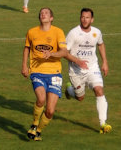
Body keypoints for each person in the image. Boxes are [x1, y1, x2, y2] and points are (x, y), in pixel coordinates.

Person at [21, 7, 87, 141]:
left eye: (46, 13)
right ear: (39, 17)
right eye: (41, 13)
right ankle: (34, 125)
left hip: (55, 74)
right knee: (41, 99)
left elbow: (64, 52)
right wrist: (24, 65)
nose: (43, 14)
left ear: (51, 18)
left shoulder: (58, 32)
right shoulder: (32, 32)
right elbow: (27, 48)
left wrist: (51, 54)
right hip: (37, 71)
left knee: (50, 111)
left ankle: (38, 131)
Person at [65, 8, 112, 134]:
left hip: (92, 68)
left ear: (92, 19)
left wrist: (105, 62)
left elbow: (100, 44)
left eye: (87, 17)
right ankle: (69, 90)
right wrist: (77, 61)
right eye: (82, 17)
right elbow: (64, 52)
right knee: (80, 98)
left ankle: (103, 123)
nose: (84, 20)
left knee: (99, 90)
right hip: (76, 71)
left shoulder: (97, 32)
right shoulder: (73, 33)